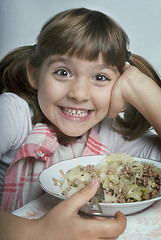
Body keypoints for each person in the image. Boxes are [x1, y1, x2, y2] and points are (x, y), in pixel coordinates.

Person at [0, 7, 161, 239]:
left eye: (100, 77)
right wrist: (34, 231)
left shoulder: (107, 134)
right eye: (63, 72)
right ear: (35, 74)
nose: (79, 93)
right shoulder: (13, 114)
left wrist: (143, 89)